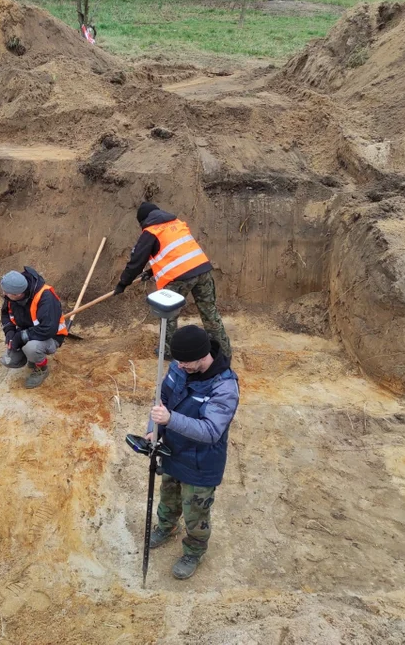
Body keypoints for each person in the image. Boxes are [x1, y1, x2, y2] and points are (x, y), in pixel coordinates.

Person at [146, 325, 239, 580]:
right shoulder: (179, 366)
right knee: (169, 495)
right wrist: (153, 429)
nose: (180, 366)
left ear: (203, 356)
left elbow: (211, 431)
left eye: (186, 362)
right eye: (178, 361)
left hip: (201, 462)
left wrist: (169, 420)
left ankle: (194, 551)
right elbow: (161, 399)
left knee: (195, 511)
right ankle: (166, 526)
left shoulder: (225, 387)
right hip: (173, 451)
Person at [114, 202, 231, 359]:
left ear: (143, 221)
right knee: (210, 312)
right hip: (203, 270)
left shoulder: (151, 231)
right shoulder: (177, 223)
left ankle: (168, 351)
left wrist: (123, 283)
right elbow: (177, 253)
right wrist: (151, 271)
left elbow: (136, 262)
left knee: (167, 315)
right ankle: (223, 352)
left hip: (179, 277)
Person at [0, 267, 68, 389]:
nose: (4, 294)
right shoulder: (12, 295)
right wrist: (9, 333)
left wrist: (20, 337)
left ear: (18, 294)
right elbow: (6, 315)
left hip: (51, 336)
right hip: (30, 331)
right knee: (9, 360)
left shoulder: (45, 297)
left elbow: (48, 329)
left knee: (32, 348)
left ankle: (42, 369)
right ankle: (31, 357)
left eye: (6, 292)